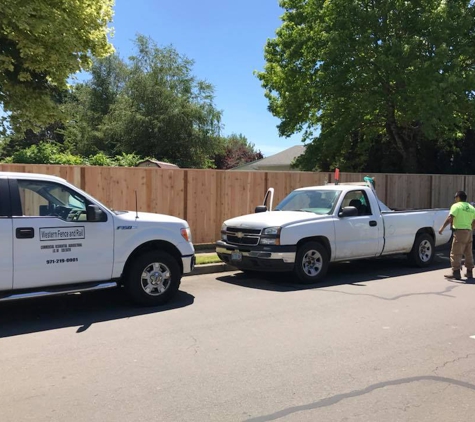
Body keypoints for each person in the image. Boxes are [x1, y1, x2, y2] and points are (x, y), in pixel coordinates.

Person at [439, 190, 475, 280]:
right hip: (469, 232)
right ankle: (469, 272)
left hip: (459, 232)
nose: (455, 199)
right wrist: (471, 228)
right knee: (468, 252)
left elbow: (450, 217)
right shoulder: (471, 208)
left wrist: (442, 227)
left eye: (455, 197)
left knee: (455, 252)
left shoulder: (456, 206)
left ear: (458, 197)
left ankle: (456, 272)